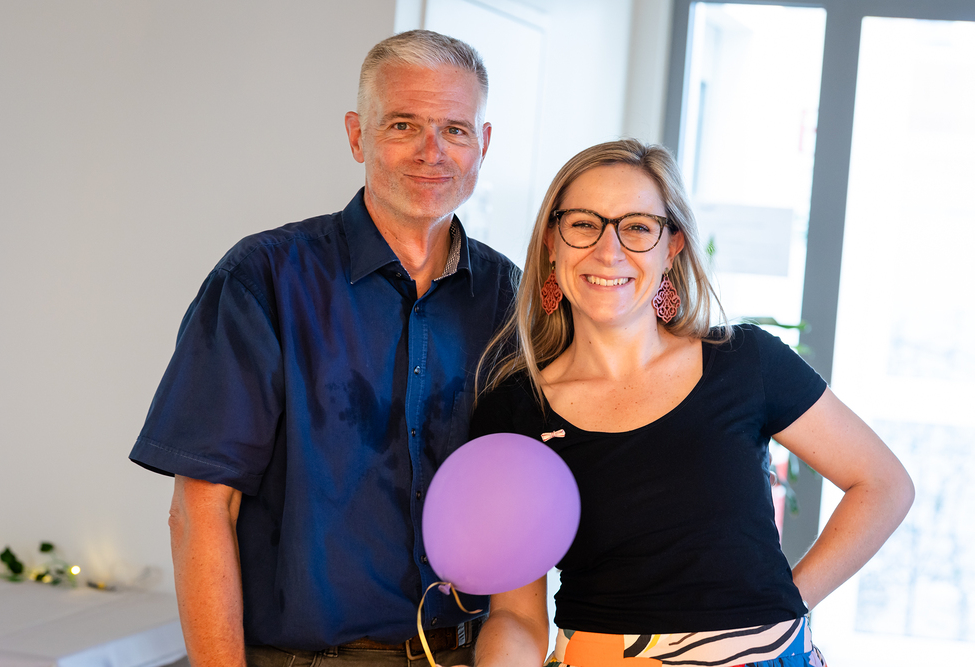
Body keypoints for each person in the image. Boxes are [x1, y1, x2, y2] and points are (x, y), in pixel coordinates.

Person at [129, 30, 517, 667]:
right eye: (403, 125)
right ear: (357, 135)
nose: (433, 151)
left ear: (484, 143)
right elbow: (200, 510)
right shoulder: (262, 279)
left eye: (455, 129)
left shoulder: (508, 298)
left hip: (466, 653)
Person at [468, 139, 914, 667]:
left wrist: (783, 610)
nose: (609, 251)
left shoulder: (747, 362)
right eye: (584, 224)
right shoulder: (515, 413)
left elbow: (883, 485)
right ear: (551, 241)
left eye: (638, 227)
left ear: (672, 246)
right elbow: (517, 616)